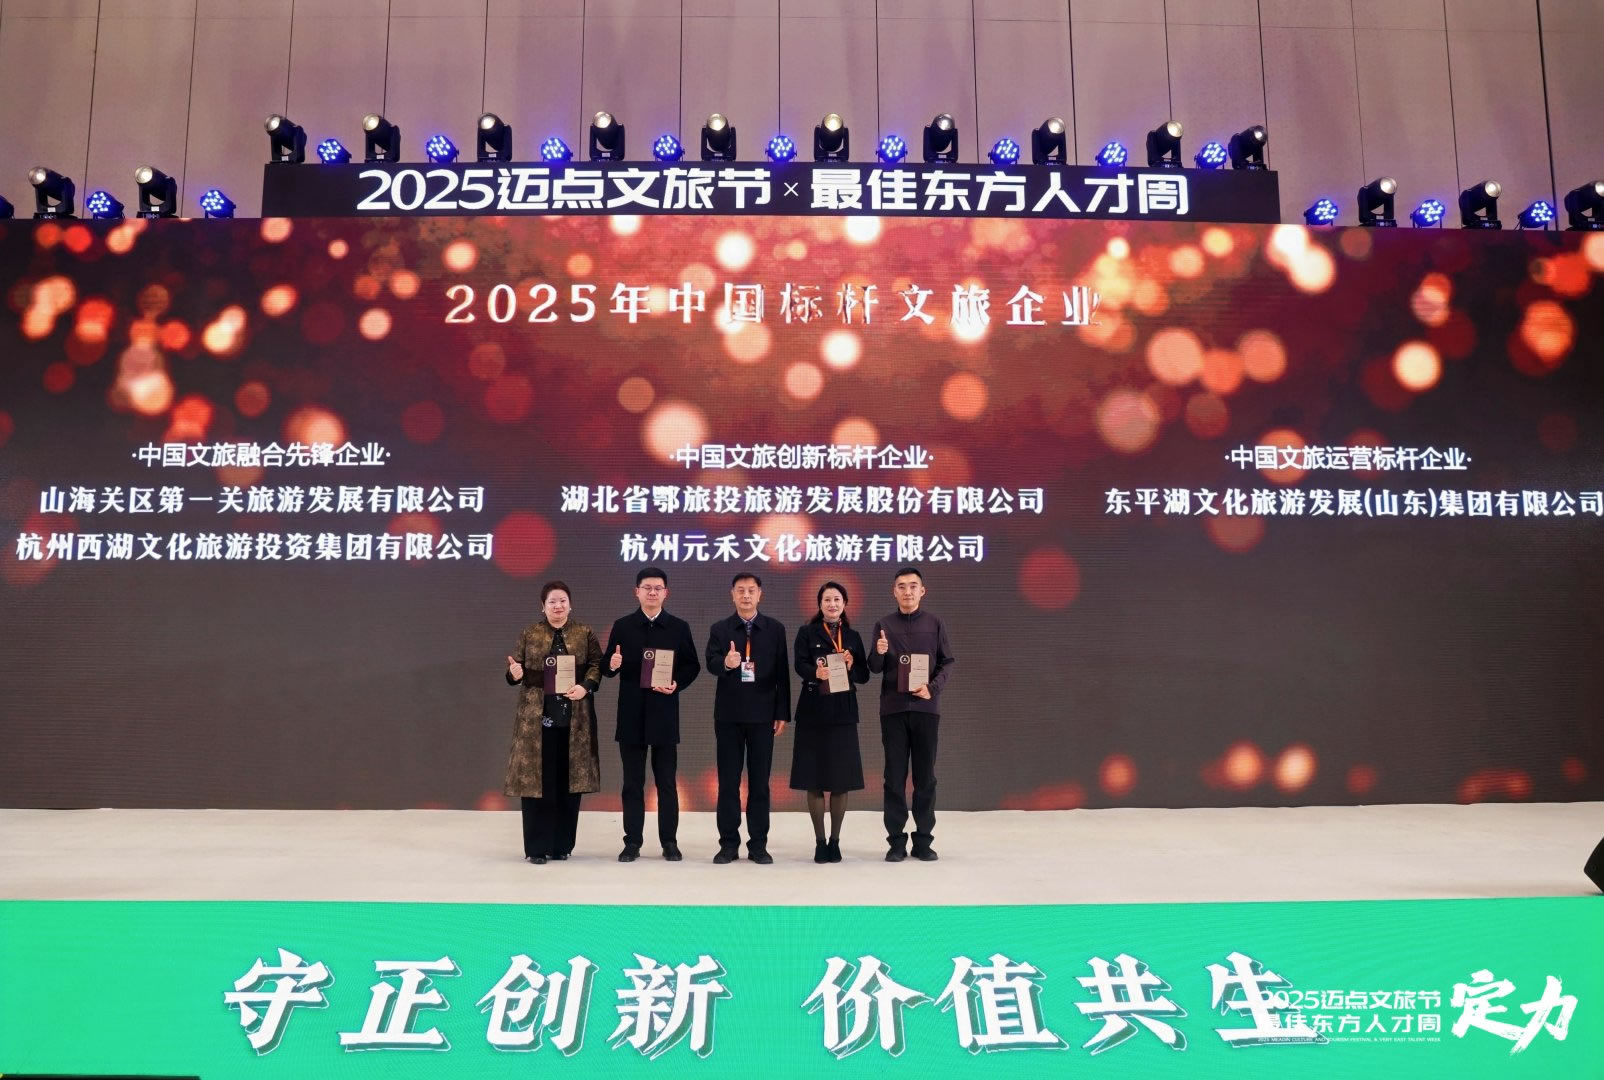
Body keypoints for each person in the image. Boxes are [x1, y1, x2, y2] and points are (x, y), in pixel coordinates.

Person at [601, 567, 700, 862]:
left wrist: (676, 683)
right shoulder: (623, 626)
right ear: (637, 592)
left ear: (666, 593)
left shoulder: (678, 627)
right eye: (647, 587)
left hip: (664, 714)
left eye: (658, 588)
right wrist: (612, 664)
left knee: (666, 783)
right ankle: (632, 842)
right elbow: (607, 667)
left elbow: (692, 665)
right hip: (631, 714)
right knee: (632, 783)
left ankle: (669, 842)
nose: (652, 592)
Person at [502, 580, 604, 864]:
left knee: (567, 783)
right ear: (543, 606)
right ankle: (537, 848)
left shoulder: (584, 632)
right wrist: (514, 674)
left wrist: (586, 686)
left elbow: (597, 665)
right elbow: (515, 671)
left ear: (570, 605)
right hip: (537, 720)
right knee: (537, 782)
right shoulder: (530, 633)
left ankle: (561, 845)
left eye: (562, 601)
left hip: (575, 719)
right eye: (552, 602)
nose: (558, 606)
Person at [867, 566, 955, 862]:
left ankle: (923, 841)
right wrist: (879, 651)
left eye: (913, 586)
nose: (907, 591)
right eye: (901, 586)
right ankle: (896, 842)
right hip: (893, 710)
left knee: (925, 778)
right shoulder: (884, 624)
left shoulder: (935, 623)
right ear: (894, 591)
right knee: (894, 777)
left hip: (925, 709)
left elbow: (947, 662)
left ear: (922, 591)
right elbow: (874, 668)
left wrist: (932, 688)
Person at [705, 572, 791, 864]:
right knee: (728, 783)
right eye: (740, 590)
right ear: (732, 594)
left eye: (751, 590)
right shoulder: (720, 629)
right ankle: (728, 844)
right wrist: (726, 663)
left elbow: (782, 674)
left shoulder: (775, 629)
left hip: (763, 715)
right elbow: (710, 663)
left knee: (760, 783)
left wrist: (781, 712)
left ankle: (758, 845)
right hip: (728, 716)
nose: (745, 595)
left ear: (759, 594)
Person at [790, 580, 869, 863]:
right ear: (820, 604)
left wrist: (851, 665)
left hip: (843, 712)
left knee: (840, 779)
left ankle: (835, 841)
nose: (832, 604)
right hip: (813, 710)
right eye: (827, 600)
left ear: (845, 604)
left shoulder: (853, 636)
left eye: (837, 599)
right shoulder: (806, 632)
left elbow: (864, 675)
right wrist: (815, 673)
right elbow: (799, 664)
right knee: (813, 779)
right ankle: (820, 842)